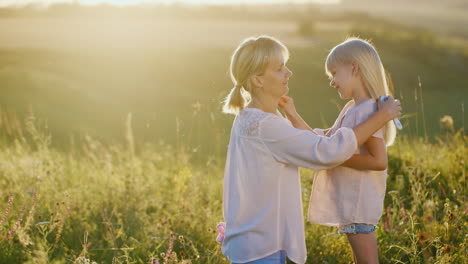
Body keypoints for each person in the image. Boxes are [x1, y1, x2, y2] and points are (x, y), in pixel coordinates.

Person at [220, 35, 401, 264]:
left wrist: (293, 116)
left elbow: (313, 143)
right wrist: (383, 116)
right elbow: (326, 151)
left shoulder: (253, 118)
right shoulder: (266, 126)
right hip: (261, 247)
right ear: (258, 80)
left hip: (254, 242)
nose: (289, 73)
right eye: (279, 68)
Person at [306, 37, 397, 264]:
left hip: (358, 204)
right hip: (350, 204)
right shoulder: (352, 108)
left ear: (354, 68)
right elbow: (330, 137)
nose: (332, 82)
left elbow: (378, 161)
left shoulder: (368, 111)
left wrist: (336, 157)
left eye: (334, 73)